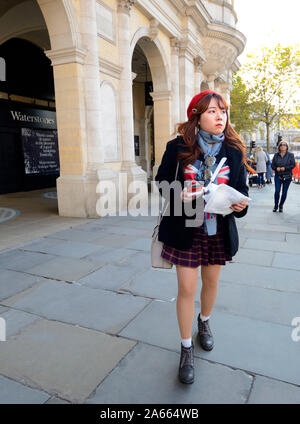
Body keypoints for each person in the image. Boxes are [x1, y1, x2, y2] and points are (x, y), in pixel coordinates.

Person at [155, 90, 249, 384]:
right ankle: (185, 348)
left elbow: (240, 192)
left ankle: (204, 323)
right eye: (211, 111)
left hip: (218, 229)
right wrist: (177, 192)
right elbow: (161, 182)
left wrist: (239, 205)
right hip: (186, 227)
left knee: (211, 282)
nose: (219, 116)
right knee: (186, 288)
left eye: (222, 111)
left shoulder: (233, 152)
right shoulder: (178, 147)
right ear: (196, 116)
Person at [271, 140, 295, 212]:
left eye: (284, 145)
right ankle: (275, 205)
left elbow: (293, 165)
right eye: (281, 145)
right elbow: (272, 165)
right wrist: (276, 168)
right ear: (279, 147)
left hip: (287, 176)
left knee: (284, 192)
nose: (283, 146)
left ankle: (281, 205)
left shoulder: (290, 155)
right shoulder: (276, 155)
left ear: (287, 146)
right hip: (278, 176)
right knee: (277, 191)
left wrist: (285, 168)